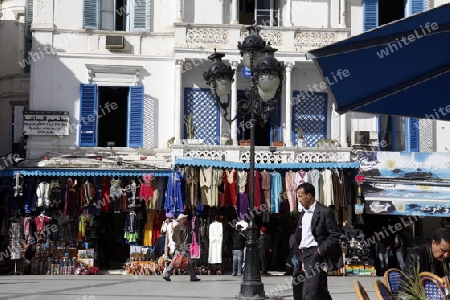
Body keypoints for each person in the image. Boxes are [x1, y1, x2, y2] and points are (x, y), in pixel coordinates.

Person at [294, 182, 342, 300]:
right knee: (320, 290)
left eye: (300, 196)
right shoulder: (303, 213)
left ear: (309, 195)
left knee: (309, 292)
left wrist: (320, 250)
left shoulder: (325, 212)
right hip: (305, 254)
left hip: (316, 254)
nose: (298, 199)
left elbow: (335, 234)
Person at [162, 214, 200, 282]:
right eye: (185, 218)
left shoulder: (176, 227)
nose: (187, 220)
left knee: (177, 262)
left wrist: (177, 243)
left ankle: (167, 274)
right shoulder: (184, 227)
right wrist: (186, 249)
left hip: (177, 247)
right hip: (183, 248)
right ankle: (193, 276)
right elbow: (186, 239)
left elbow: (173, 237)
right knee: (185, 262)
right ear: (182, 220)